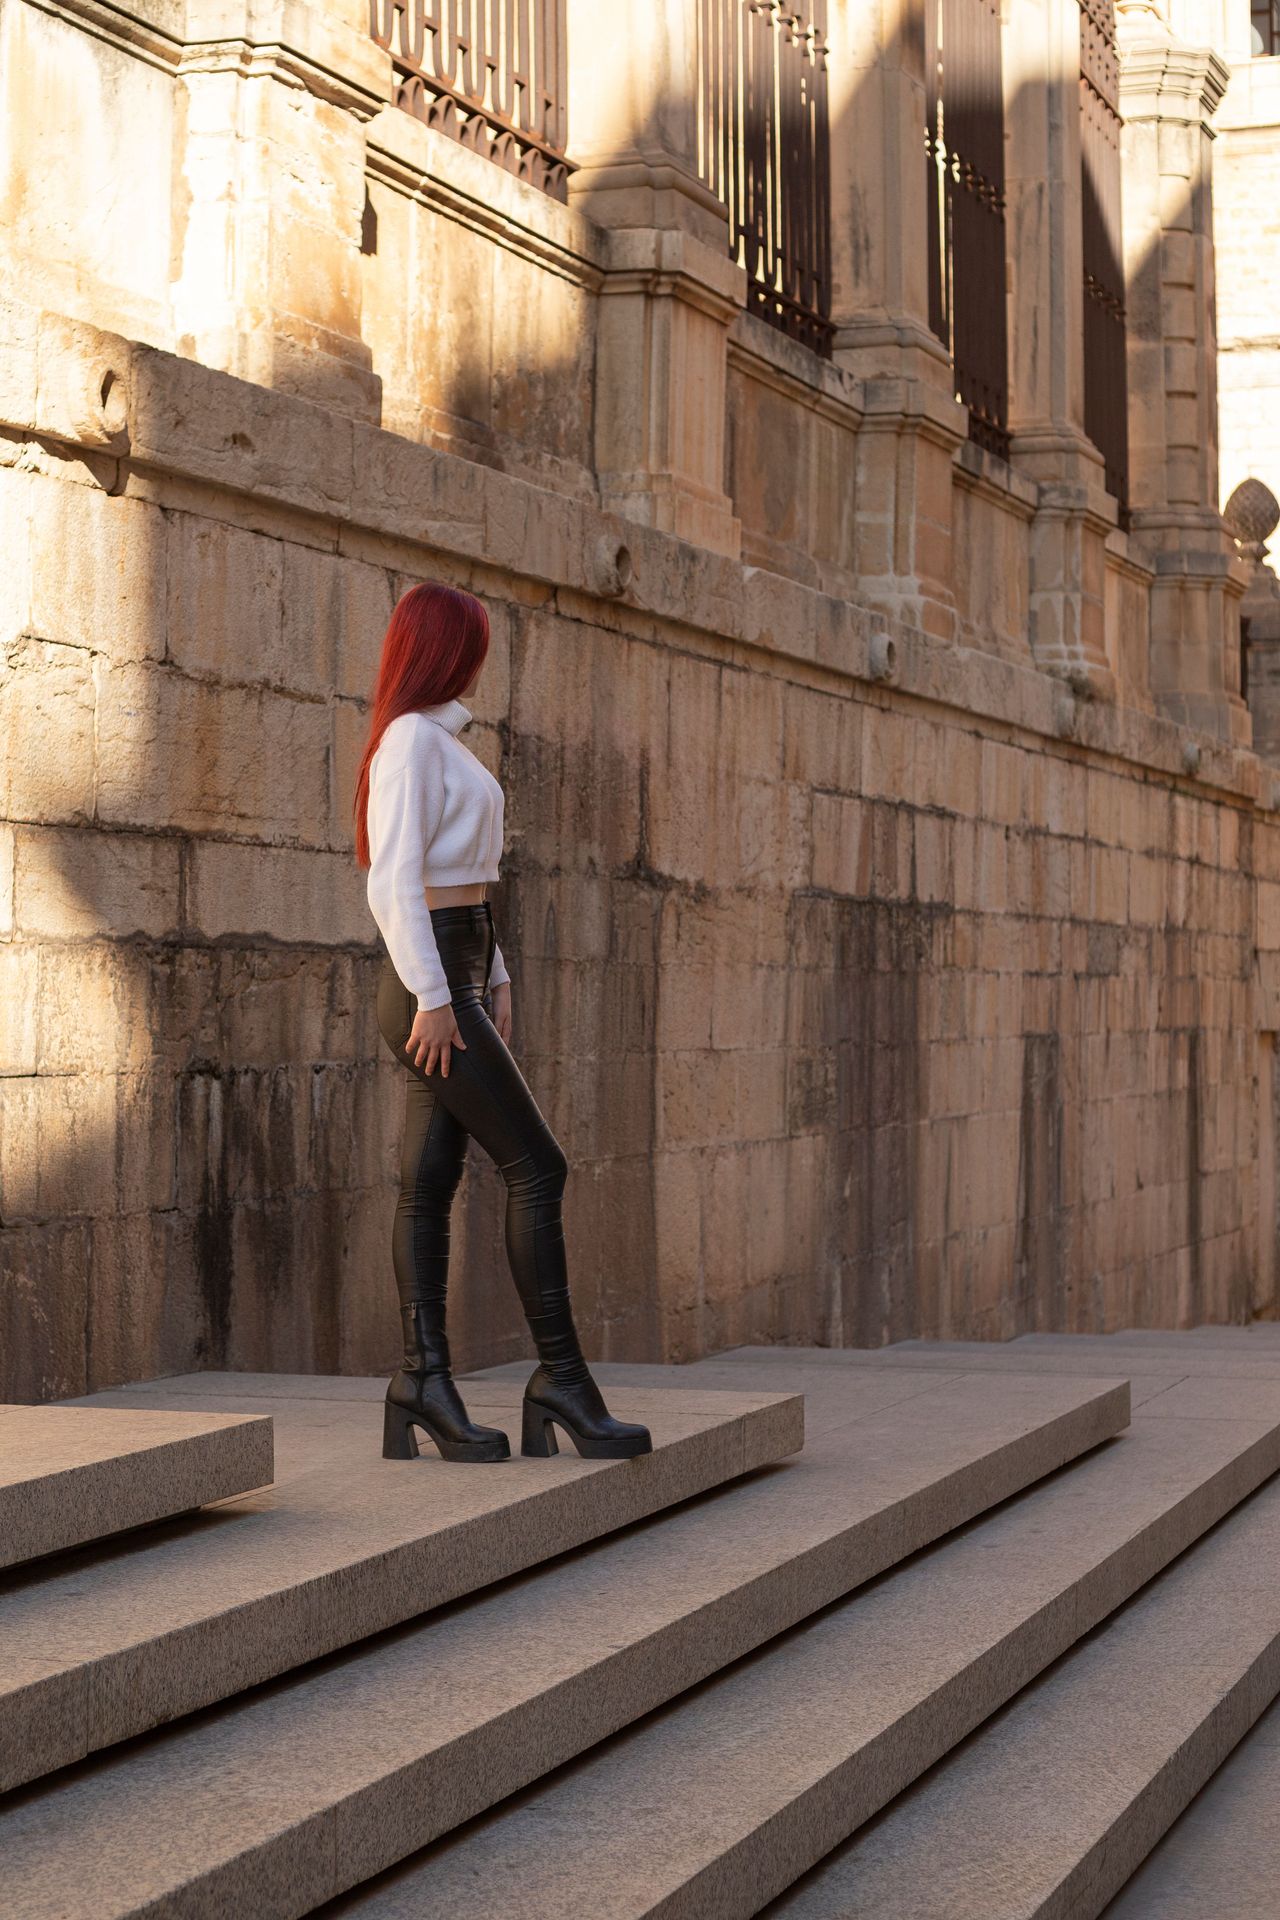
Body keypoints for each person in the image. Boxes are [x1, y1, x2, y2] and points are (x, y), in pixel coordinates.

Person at [352, 581, 652, 1465]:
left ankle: (422, 1383)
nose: (482, 659)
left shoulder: (440, 740)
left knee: (429, 1179)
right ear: (445, 648)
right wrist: (438, 996)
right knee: (538, 1166)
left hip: (462, 967)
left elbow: (468, 878)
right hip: (432, 981)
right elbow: (392, 881)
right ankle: (561, 1381)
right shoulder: (411, 741)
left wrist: (498, 972)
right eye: (474, 643)